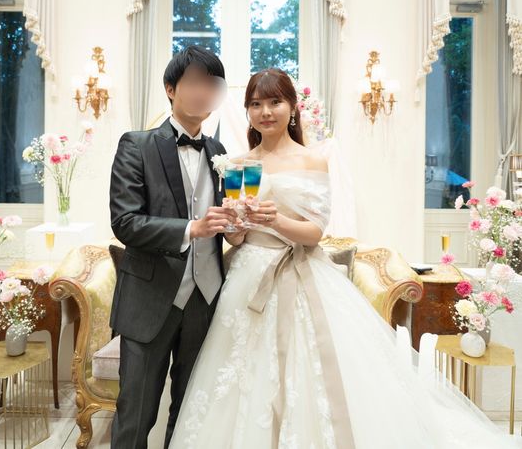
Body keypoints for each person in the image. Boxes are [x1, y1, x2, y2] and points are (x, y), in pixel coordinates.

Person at [169, 68, 522, 448]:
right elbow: (237, 236)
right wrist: (234, 225)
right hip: (246, 275)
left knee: (309, 372)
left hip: (299, 275)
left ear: (292, 107)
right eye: (255, 104)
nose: (265, 112)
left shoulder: (312, 161)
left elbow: (315, 233)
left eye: (275, 102)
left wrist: (276, 220)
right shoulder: (237, 162)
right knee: (237, 371)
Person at [109, 45, 237, 449]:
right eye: (194, 83)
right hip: (149, 300)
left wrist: (241, 221)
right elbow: (125, 222)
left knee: (190, 417)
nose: (203, 93)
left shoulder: (221, 154)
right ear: (170, 88)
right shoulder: (137, 145)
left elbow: (228, 221)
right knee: (135, 416)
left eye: (212, 85)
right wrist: (190, 229)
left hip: (206, 299)